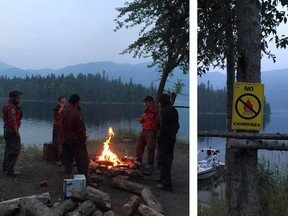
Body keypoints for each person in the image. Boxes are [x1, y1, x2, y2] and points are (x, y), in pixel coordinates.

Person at [59, 94, 89, 179]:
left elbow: (61, 126)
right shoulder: (77, 113)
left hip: (65, 139)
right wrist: (83, 140)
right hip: (76, 140)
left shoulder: (63, 111)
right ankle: (84, 179)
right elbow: (81, 129)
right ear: (77, 102)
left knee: (67, 160)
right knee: (82, 161)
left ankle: (68, 177)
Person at [156, 93, 179, 191]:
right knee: (167, 159)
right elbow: (177, 125)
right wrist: (173, 134)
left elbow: (163, 126)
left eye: (160, 101)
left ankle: (166, 184)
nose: (159, 103)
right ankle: (162, 178)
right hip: (171, 139)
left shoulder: (164, 111)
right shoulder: (174, 110)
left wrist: (159, 136)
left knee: (164, 160)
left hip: (164, 139)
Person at [2, 90, 23, 177]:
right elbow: (12, 121)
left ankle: (5, 167)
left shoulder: (7, 105)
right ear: (12, 98)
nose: (19, 99)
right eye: (17, 97)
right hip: (11, 131)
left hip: (7, 130)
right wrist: (16, 132)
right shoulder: (11, 108)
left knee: (8, 149)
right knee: (15, 150)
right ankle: (10, 170)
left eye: (19, 97)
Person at [135, 95, 159, 169]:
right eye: (145, 102)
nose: (146, 104)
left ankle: (150, 163)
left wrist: (148, 117)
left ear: (151, 102)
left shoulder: (157, 110)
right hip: (144, 129)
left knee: (150, 147)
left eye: (147, 102)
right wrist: (141, 120)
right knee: (139, 145)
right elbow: (145, 119)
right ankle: (138, 161)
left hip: (152, 131)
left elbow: (157, 121)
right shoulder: (147, 110)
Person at [52, 96, 66, 166]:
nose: (63, 103)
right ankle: (57, 159)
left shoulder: (66, 109)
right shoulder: (56, 109)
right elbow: (56, 117)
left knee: (64, 143)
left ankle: (64, 159)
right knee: (57, 142)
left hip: (64, 127)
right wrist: (61, 108)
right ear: (59, 102)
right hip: (57, 127)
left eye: (64, 102)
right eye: (62, 102)